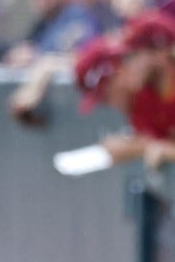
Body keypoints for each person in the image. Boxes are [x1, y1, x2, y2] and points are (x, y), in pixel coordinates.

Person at [74, 11, 175, 170]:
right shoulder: (146, 95)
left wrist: (159, 150)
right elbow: (157, 141)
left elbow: (161, 146)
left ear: (160, 53)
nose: (127, 66)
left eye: (132, 56)